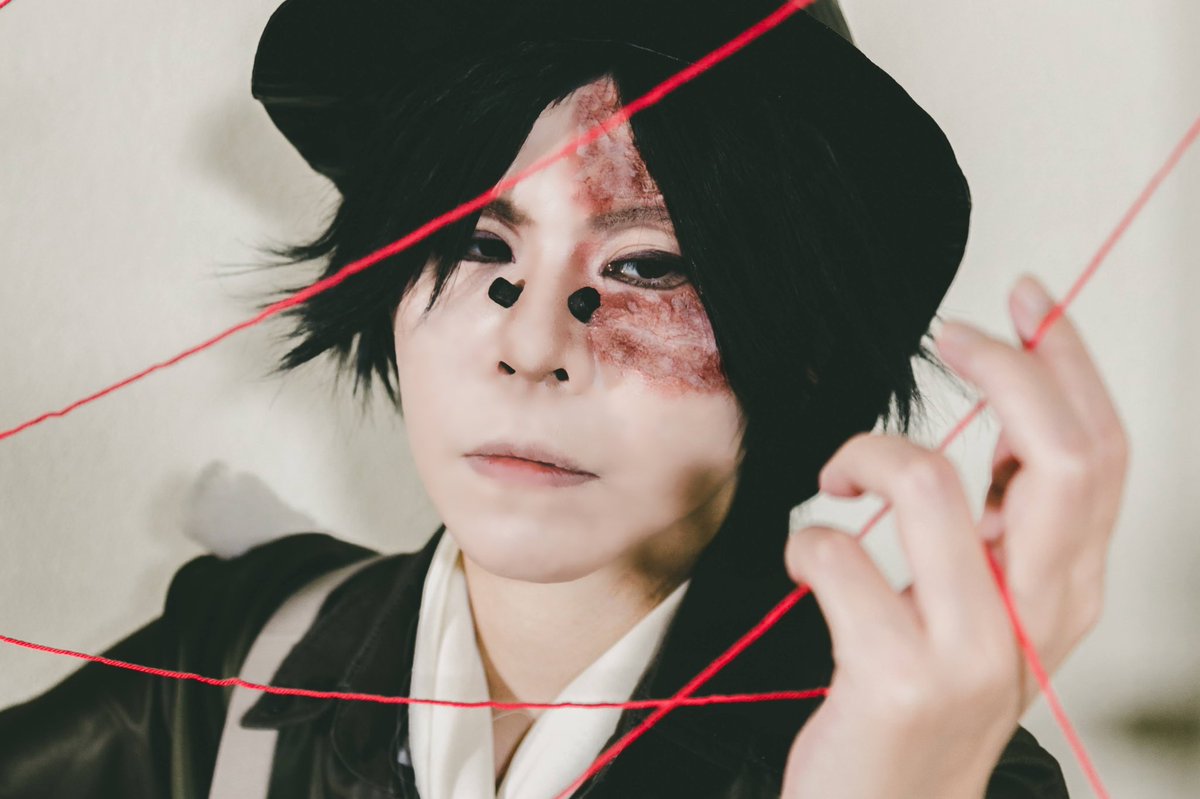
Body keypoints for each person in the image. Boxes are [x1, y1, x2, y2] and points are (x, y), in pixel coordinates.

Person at [0, 0, 1129, 796]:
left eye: (647, 264)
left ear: (807, 349)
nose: (531, 345)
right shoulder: (232, 663)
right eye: (478, 242)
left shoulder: (940, 769)